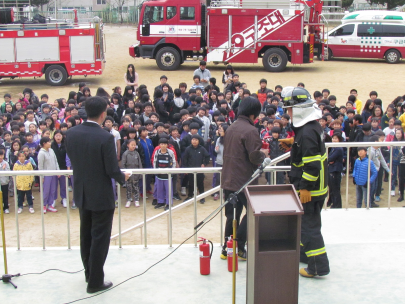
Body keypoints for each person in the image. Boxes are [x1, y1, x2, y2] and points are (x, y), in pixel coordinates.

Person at [65, 96, 130, 294]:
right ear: (103, 114)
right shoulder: (105, 137)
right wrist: (123, 177)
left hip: (82, 192)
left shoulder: (71, 133)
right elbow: (111, 169)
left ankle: (89, 273)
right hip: (101, 195)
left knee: (86, 236)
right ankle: (95, 281)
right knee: (100, 239)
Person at [282, 87, 329, 278]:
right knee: (307, 225)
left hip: (311, 190)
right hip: (316, 188)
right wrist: (294, 142)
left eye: (290, 109)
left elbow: (312, 165)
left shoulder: (307, 132)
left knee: (310, 228)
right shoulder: (310, 127)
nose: (288, 113)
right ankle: (305, 254)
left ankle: (318, 267)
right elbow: (310, 148)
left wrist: (305, 188)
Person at [220, 96, 263, 261]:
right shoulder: (251, 130)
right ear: (253, 114)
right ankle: (239, 246)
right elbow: (254, 157)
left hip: (228, 178)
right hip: (244, 180)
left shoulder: (231, 127)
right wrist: (263, 154)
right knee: (251, 213)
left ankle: (227, 248)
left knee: (232, 215)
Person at [183, 134, 210, 204]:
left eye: (196, 140)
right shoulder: (188, 149)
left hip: (200, 170)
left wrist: (204, 164)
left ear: (199, 141)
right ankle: (190, 196)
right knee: (191, 184)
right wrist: (185, 169)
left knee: (200, 184)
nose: (194, 141)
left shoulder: (202, 149)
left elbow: (207, 156)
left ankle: (202, 197)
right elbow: (184, 159)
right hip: (190, 170)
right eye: (193, 140)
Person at [153, 137, 177, 210]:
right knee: (159, 189)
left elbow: (174, 162)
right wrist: (156, 171)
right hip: (159, 174)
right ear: (159, 145)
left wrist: (171, 171)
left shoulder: (170, 152)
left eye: (165, 144)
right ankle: (160, 202)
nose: (163, 145)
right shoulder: (157, 152)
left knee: (168, 189)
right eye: (162, 144)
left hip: (168, 175)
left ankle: (169, 203)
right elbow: (154, 162)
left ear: (167, 145)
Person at [38, 136, 60, 213]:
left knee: (53, 190)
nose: (50, 143)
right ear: (44, 143)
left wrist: (58, 171)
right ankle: (44, 205)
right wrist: (42, 176)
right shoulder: (41, 153)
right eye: (49, 142)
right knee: (46, 191)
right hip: (46, 174)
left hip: (54, 173)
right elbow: (40, 166)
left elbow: (55, 161)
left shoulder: (51, 150)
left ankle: (50, 205)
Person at [121, 139, 142, 208]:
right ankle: (129, 200)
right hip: (128, 175)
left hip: (136, 174)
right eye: (132, 145)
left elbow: (139, 164)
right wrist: (124, 173)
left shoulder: (137, 153)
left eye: (134, 145)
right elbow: (123, 164)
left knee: (136, 187)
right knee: (128, 188)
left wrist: (140, 172)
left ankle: (136, 199)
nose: (133, 146)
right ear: (128, 145)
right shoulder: (125, 154)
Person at [327, 132, 344, 208]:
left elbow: (330, 158)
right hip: (332, 169)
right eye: (333, 138)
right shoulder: (333, 148)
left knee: (335, 189)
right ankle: (333, 203)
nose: (334, 140)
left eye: (336, 138)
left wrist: (330, 160)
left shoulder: (338, 148)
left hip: (335, 170)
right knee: (332, 188)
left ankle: (337, 205)